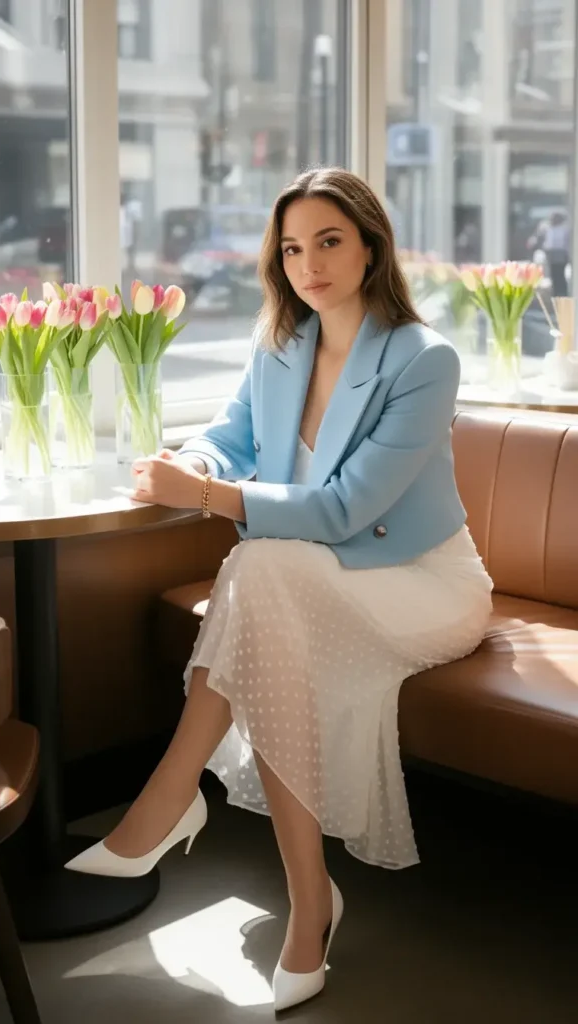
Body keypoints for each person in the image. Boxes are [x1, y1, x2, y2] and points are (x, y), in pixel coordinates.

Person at [66, 168, 493, 1011]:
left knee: (258, 571)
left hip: (425, 582)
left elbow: (343, 509)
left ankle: (170, 797)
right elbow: (229, 439)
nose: (308, 264)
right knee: (263, 581)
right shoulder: (281, 342)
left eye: (329, 241)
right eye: (292, 247)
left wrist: (209, 499)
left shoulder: (421, 359)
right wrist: (192, 465)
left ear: (371, 245)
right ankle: (306, 901)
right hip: (320, 571)